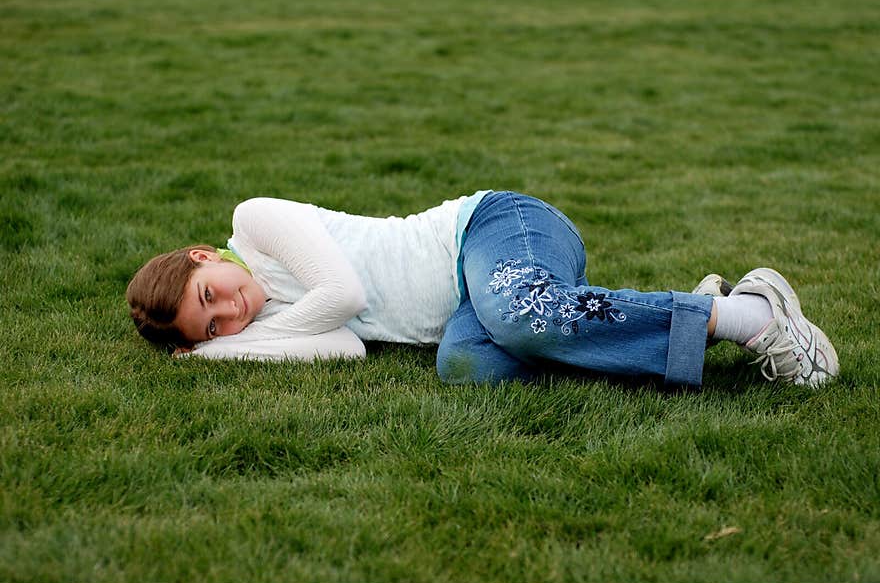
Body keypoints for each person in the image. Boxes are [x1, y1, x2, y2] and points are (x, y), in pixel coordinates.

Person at [126, 190, 839, 389]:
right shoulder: (263, 321)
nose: (231, 311)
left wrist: (228, 342)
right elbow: (342, 348)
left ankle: (749, 313)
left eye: (210, 294)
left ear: (201, 256)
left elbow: (340, 297)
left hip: (495, 227)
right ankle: (670, 311)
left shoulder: (256, 223)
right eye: (212, 327)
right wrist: (218, 354)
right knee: (468, 368)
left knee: (522, 315)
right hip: (477, 308)